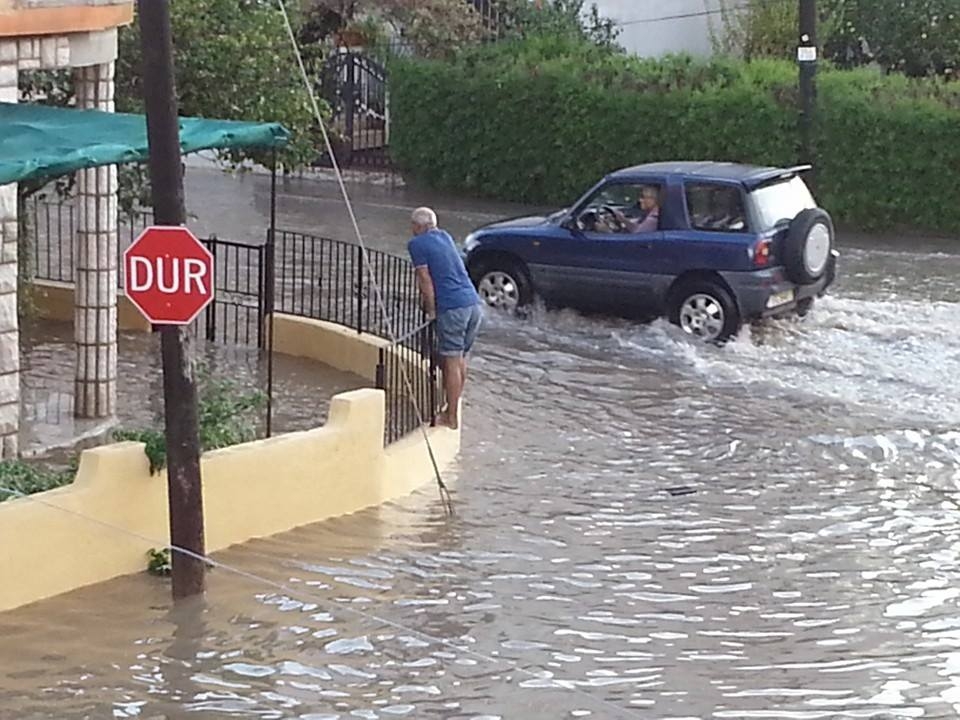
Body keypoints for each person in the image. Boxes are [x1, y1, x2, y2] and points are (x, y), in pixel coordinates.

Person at [407, 207, 483, 430]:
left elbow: (425, 279)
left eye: (412, 226)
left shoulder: (417, 244)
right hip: (473, 303)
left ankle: (450, 417)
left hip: (452, 307)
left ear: (418, 226)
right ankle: (453, 406)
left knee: (450, 362)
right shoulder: (445, 236)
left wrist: (431, 310)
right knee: (460, 359)